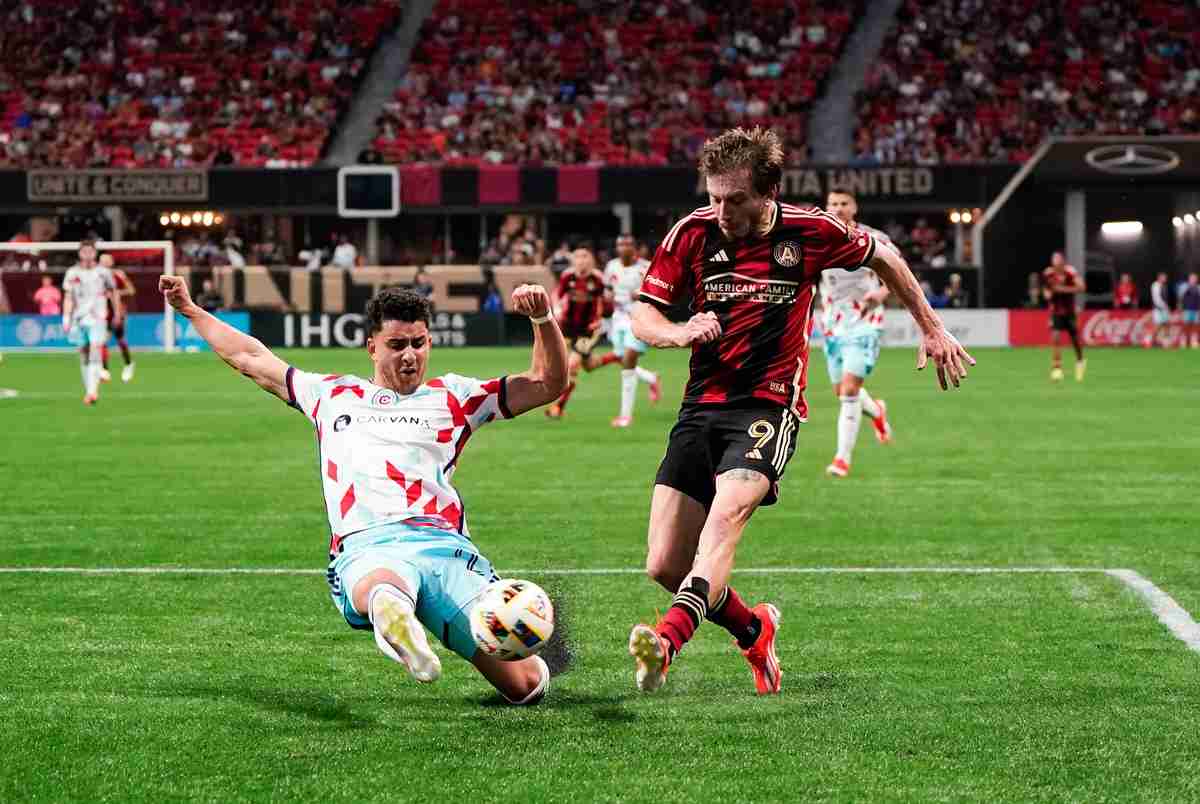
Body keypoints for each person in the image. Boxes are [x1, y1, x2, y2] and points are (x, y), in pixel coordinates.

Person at [627, 126, 972, 695]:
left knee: (723, 524)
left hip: (768, 407)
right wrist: (677, 332)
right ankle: (754, 630)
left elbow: (884, 256)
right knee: (664, 564)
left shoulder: (812, 230)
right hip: (700, 407)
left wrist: (932, 328)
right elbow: (643, 314)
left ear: (769, 192)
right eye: (713, 197)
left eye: (734, 199)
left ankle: (665, 643)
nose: (720, 212)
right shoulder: (691, 232)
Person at [158, 276, 569, 705]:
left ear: (430, 342)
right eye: (396, 345)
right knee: (384, 584)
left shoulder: (457, 396)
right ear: (372, 347)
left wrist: (542, 319)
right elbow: (249, 357)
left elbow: (547, 383)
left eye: (418, 343)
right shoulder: (331, 394)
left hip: (444, 549)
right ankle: (393, 615)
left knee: (526, 686)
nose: (410, 355)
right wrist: (190, 309)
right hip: (370, 543)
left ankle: (398, 613)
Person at [819, 188, 896, 478]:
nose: (838, 208)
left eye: (844, 203)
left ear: (854, 207)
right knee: (842, 391)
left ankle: (842, 459)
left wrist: (882, 293)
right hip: (832, 325)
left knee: (849, 390)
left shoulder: (875, 238)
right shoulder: (817, 239)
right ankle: (877, 410)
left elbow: (900, 271)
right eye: (833, 203)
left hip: (865, 322)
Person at [545, 247, 621, 419]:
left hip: (589, 330)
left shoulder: (598, 279)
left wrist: (606, 307)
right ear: (573, 260)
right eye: (578, 256)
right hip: (568, 328)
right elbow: (557, 294)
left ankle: (558, 408)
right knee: (590, 365)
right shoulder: (567, 277)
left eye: (585, 256)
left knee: (571, 366)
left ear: (591, 260)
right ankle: (615, 357)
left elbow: (608, 300)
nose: (581, 260)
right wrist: (557, 308)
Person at [602, 233, 662, 427]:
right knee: (623, 359)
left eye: (628, 244)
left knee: (628, 360)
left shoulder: (645, 267)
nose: (624, 248)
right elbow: (607, 290)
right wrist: (607, 299)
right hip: (617, 319)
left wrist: (643, 294)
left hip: (638, 319)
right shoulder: (611, 266)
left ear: (634, 248)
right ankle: (650, 378)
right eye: (621, 244)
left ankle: (625, 416)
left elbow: (659, 292)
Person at [61, 240, 118, 406]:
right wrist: (66, 317)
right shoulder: (72, 273)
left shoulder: (103, 272)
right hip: (79, 318)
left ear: (95, 253)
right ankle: (90, 389)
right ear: (79, 253)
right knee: (83, 353)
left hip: (98, 317)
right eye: (84, 251)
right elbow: (68, 297)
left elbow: (113, 292)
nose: (87, 254)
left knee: (94, 349)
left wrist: (117, 312)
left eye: (90, 251)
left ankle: (93, 392)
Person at [1042, 252, 1086, 381]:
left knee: (1075, 339)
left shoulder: (1070, 272)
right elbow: (1046, 291)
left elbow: (1082, 287)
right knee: (1055, 336)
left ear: (1063, 262)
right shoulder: (1048, 273)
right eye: (1053, 260)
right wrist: (1048, 294)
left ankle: (1080, 361)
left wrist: (1063, 289)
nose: (1055, 263)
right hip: (1056, 311)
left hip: (1070, 311)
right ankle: (1057, 368)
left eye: (1058, 260)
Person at [99, 253, 135, 383]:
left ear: (112, 262)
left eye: (107, 260)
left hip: (117, 311)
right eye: (102, 260)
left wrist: (116, 293)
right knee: (101, 340)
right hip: (101, 312)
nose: (104, 262)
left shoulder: (118, 274)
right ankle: (104, 370)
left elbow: (131, 290)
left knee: (120, 339)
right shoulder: (96, 276)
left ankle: (128, 364)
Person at [1146, 273, 1171, 349]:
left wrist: (1166, 306)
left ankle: (1165, 343)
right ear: (1159, 278)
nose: (1165, 279)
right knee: (1157, 325)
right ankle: (1148, 340)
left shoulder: (1164, 286)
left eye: (1165, 278)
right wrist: (1163, 306)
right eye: (1163, 277)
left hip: (1164, 308)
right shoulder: (1155, 285)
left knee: (1167, 324)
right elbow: (1156, 298)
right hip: (1158, 309)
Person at [1178, 273, 1199, 349]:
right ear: (1189, 279)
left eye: (1195, 278)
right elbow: (1180, 298)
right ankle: (1183, 342)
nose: (1193, 280)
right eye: (1192, 278)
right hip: (1186, 310)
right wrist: (1180, 308)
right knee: (1185, 326)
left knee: (1195, 326)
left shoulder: (1198, 288)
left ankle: (1194, 342)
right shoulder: (1184, 287)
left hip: (1196, 310)